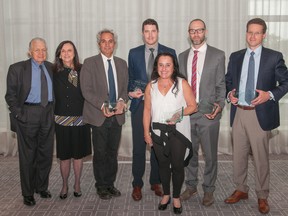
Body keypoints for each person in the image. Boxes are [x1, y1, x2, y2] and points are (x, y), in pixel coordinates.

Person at [225, 18, 288, 214]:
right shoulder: (235, 57)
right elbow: (228, 81)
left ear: (264, 35)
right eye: (249, 32)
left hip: (259, 115)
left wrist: (269, 95)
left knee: (260, 158)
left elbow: (286, 82)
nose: (252, 36)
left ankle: (262, 195)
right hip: (238, 114)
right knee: (239, 157)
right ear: (246, 33)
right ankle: (241, 189)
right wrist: (230, 94)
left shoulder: (274, 57)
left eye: (257, 33)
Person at [128, 18, 177, 201]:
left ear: (158, 32)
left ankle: (155, 181)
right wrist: (131, 92)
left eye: (153, 31)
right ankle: (137, 184)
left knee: (159, 146)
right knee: (139, 147)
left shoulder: (169, 52)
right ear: (142, 33)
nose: (150, 35)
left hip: (161, 108)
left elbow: (175, 79)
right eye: (146, 31)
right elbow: (130, 79)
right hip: (140, 106)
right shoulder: (133, 53)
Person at [179, 19, 226, 206]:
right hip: (188, 115)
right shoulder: (182, 56)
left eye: (199, 30)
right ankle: (190, 186)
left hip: (209, 115)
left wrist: (219, 105)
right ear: (188, 33)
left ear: (205, 32)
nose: (196, 34)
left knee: (210, 155)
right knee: (189, 153)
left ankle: (209, 190)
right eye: (192, 31)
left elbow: (221, 85)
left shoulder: (218, 55)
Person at [143, 52, 197, 214]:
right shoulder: (151, 86)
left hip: (178, 132)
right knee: (163, 165)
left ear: (174, 67)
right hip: (158, 132)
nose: (164, 68)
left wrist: (179, 114)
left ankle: (176, 197)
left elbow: (193, 106)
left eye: (168, 65)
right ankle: (166, 194)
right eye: (161, 65)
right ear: (156, 67)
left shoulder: (182, 84)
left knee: (178, 165)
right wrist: (146, 132)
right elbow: (146, 110)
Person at [5, 37, 54, 206]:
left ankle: (41, 187)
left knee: (45, 154)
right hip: (28, 113)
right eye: (37, 50)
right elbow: (10, 95)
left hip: (48, 113)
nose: (41, 53)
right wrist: (20, 115)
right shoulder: (17, 68)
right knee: (28, 156)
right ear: (30, 51)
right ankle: (27, 192)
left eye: (44, 50)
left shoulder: (50, 67)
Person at [80, 29, 129, 200]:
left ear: (114, 44)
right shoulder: (89, 63)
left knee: (112, 152)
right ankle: (101, 186)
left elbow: (125, 88)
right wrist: (102, 105)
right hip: (99, 116)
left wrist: (122, 100)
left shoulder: (122, 63)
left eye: (110, 41)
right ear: (98, 44)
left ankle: (110, 183)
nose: (107, 44)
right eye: (103, 41)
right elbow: (86, 90)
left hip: (117, 116)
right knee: (100, 153)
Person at [53, 40, 92, 199]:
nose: (67, 53)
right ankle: (64, 185)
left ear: (74, 53)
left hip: (80, 119)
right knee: (64, 156)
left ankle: (77, 183)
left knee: (77, 155)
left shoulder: (83, 70)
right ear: (59, 54)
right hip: (61, 119)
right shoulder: (53, 71)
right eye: (63, 51)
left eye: (70, 50)